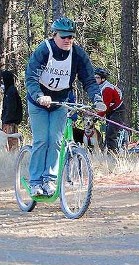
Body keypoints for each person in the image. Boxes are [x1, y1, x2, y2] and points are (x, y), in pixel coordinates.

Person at [24, 17, 106, 197]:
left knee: (55, 140)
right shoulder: (44, 51)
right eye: (64, 37)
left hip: (60, 102)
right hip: (38, 102)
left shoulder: (77, 54)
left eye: (71, 36)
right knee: (42, 140)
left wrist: (97, 98)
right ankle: (36, 182)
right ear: (55, 35)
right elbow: (30, 78)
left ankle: (50, 180)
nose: (68, 40)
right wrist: (39, 96)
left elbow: (89, 79)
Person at [94, 67, 125, 153]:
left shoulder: (107, 89)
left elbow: (104, 106)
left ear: (103, 79)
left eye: (97, 77)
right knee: (108, 131)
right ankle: (111, 152)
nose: (95, 79)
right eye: (95, 77)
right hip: (111, 111)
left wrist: (97, 116)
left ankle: (112, 156)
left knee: (110, 134)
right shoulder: (101, 87)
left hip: (118, 111)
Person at [1, 70, 23, 151]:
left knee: (11, 143)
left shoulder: (11, 91)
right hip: (9, 121)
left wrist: (6, 121)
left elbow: (11, 108)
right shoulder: (9, 90)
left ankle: (13, 159)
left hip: (10, 122)